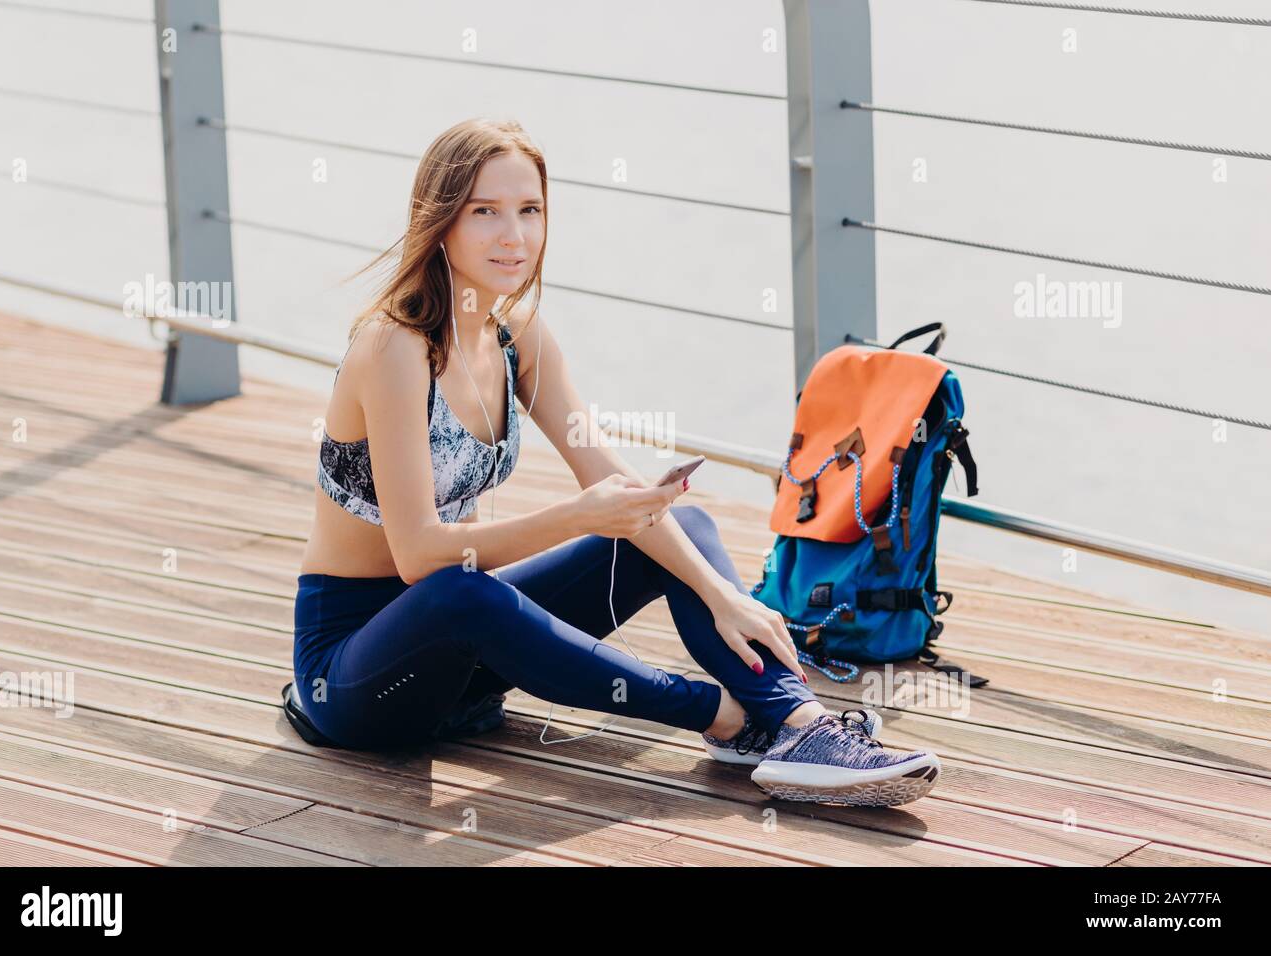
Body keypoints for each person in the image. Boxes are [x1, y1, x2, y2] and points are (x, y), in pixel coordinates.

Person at [286, 117, 941, 807]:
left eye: (530, 210)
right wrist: (578, 516)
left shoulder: (518, 337)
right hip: (355, 676)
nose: (514, 235)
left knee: (677, 523)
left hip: (462, 668)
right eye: (485, 212)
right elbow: (420, 558)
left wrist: (723, 597)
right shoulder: (394, 347)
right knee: (462, 589)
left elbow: (609, 480)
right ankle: (720, 716)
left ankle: (798, 726)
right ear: (440, 221)